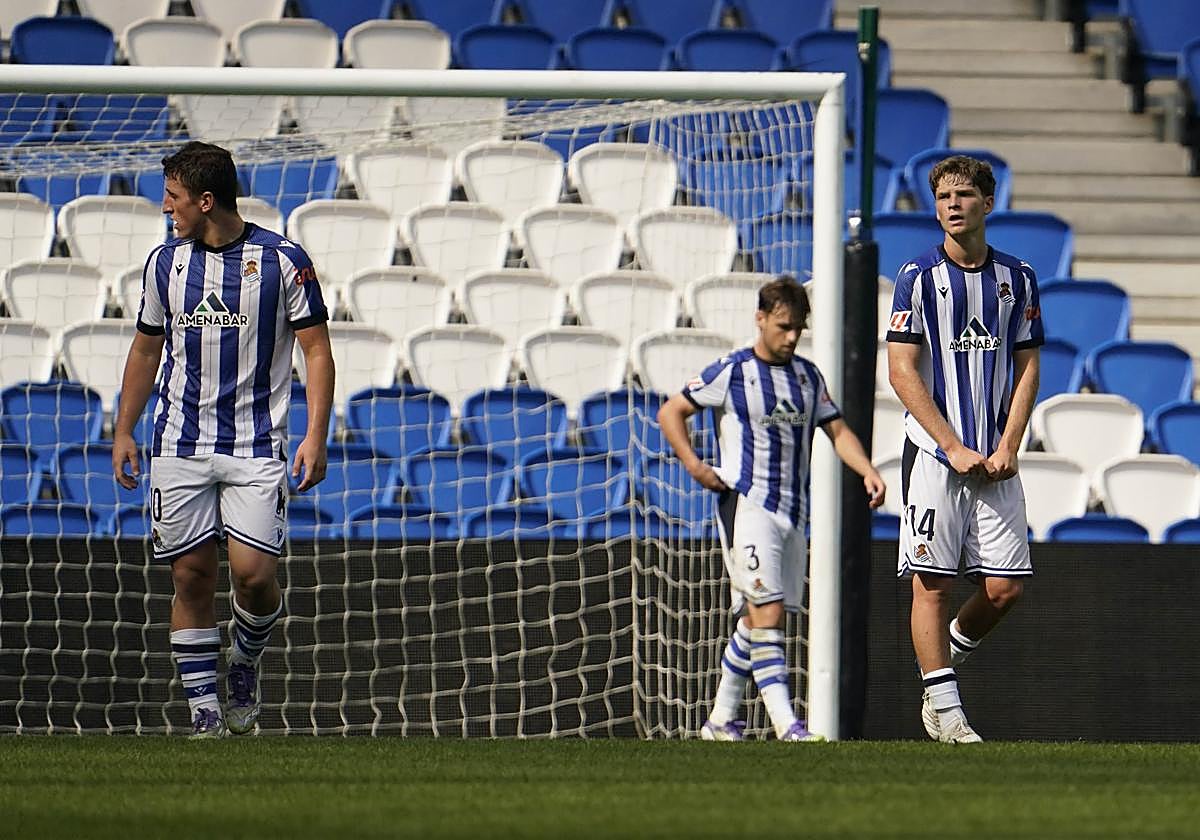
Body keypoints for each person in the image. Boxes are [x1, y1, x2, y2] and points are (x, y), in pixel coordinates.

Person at [112, 141, 335, 738]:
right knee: (190, 576)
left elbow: (316, 349)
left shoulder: (284, 260)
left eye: (174, 199)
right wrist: (123, 430)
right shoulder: (166, 265)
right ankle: (205, 711)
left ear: (206, 201)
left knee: (255, 576)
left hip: (257, 444)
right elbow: (145, 347)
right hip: (180, 443)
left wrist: (316, 435)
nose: (167, 210)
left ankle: (243, 659)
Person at [658, 277, 886, 742]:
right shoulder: (732, 372)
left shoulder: (807, 376)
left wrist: (866, 470)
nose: (791, 337)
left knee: (756, 618)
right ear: (760, 318)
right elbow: (671, 412)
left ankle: (721, 719)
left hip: (794, 513)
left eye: (798, 329)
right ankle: (787, 724)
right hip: (747, 506)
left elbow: (837, 430)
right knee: (769, 610)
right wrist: (695, 465)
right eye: (783, 326)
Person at [886, 155, 1043, 743]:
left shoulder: (1019, 278)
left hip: (995, 458)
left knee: (1004, 589)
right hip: (933, 454)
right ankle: (945, 710)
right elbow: (901, 372)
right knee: (932, 582)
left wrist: (1009, 443)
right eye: (943, 197)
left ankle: (943, 662)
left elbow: (1029, 365)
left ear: (987, 203)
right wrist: (951, 445)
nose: (952, 205)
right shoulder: (917, 277)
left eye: (963, 195)